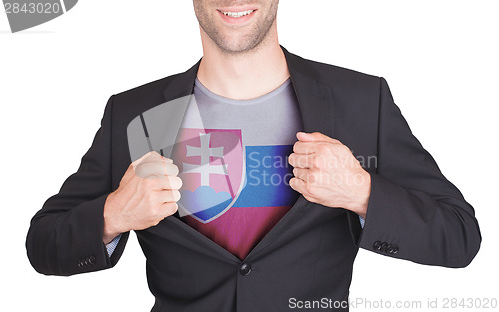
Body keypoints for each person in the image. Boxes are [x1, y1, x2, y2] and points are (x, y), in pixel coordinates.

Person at [26, 1, 481, 311]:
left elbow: (459, 236)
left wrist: (362, 192)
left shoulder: (361, 101)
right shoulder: (135, 113)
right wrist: (113, 214)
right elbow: (44, 245)